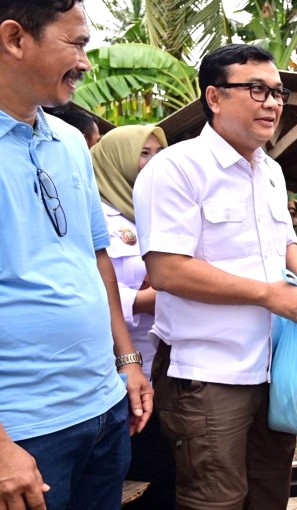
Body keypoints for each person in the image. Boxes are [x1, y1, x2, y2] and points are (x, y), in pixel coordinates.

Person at [133, 44, 297, 510]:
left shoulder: (271, 172)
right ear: (215, 97)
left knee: (269, 494)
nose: (273, 103)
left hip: (274, 369)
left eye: (278, 92)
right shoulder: (176, 168)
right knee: (216, 500)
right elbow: (167, 270)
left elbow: (285, 242)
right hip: (209, 374)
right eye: (257, 89)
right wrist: (265, 294)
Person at [0, 1, 153, 508]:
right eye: (77, 43)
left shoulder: (69, 141)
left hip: (102, 407)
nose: (86, 62)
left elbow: (96, 257)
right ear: (15, 39)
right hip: (23, 429)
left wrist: (126, 360)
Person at [90, 124, 177, 509]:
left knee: (164, 479)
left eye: (159, 152)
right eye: (144, 152)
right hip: (115, 370)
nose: (154, 162)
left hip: (163, 368)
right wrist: (146, 299)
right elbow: (93, 285)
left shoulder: (163, 214)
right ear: (116, 161)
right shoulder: (98, 218)